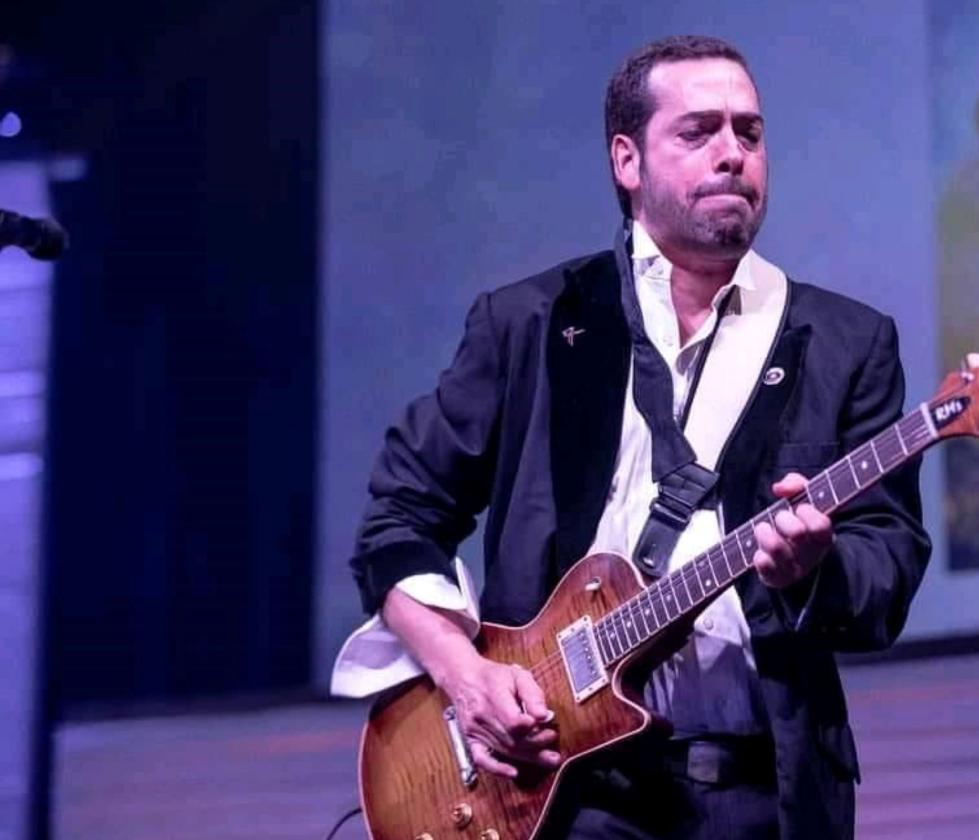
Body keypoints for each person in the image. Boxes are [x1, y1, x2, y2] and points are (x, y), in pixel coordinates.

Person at [331, 34, 930, 839]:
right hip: (561, 796)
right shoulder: (532, 325)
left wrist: (812, 573)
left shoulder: (845, 340)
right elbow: (397, 521)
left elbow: (887, 565)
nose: (732, 155)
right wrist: (466, 677)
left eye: (749, 133)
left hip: (760, 795)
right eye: (699, 132)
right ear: (627, 160)